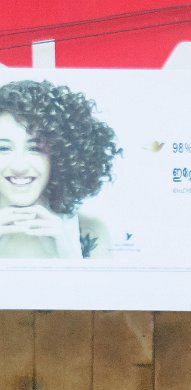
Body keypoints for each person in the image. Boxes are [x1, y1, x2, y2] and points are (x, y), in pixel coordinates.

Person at [0, 79, 118, 259]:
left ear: (61, 154)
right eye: (3, 148)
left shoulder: (90, 231)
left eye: (35, 148)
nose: (19, 166)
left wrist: (69, 255)